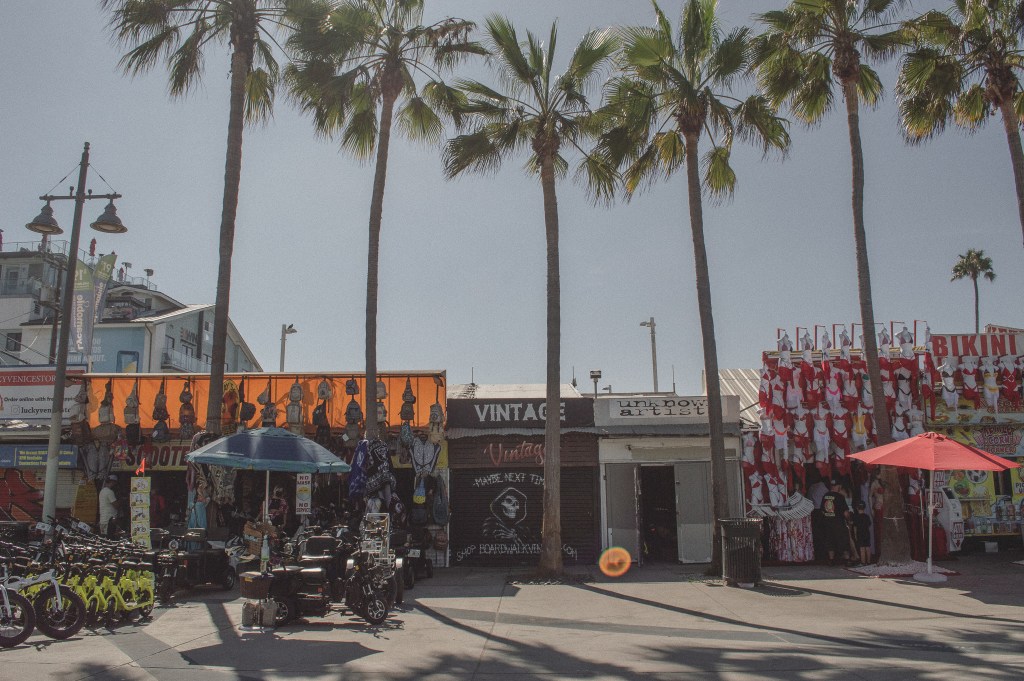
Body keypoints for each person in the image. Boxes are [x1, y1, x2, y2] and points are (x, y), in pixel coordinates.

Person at [820, 479, 851, 566]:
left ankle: (831, 560)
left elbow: (822, 510)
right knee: (844, 541)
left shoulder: (825, 496)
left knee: (830, 541)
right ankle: (847, 560)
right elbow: (845, 513)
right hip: (839, 523)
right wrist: (849, 520)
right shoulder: (840, 497)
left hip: (828, 523)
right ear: (838, 486)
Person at [851, 501, 872, 565]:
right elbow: (869, 524)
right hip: (867, 534)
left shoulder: (856, 517)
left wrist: (855, 535)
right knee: (868, 548)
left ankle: (863, 562)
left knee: (862, 548)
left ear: (857, 508)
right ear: (864, 507)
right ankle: (868, 562)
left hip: (860, 534)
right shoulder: (867, 516)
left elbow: (855, 527)